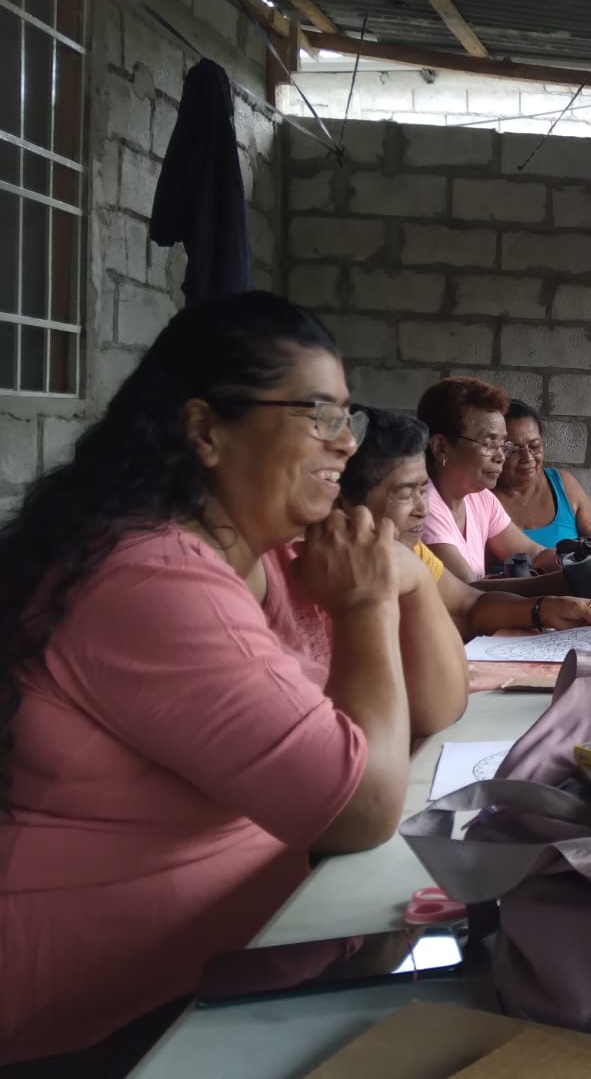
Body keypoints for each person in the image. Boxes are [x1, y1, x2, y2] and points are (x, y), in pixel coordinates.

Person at [0, 293, 462, 1069]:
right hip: (107, 1018)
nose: (347, 442)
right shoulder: (151, 578)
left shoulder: (277, 552)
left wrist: (404, 579)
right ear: (208, 431)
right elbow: (359, 811)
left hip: (244, 954)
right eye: (317, 414)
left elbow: (437, 707)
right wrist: (367, 604)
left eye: (346, 415)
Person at [340, 406, 591, 637]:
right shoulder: (347, 571)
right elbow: (467, 594)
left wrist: (544, 608)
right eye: (403, 494)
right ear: (342, 499)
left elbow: (468, 604)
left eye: (422, 490)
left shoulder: (409, 551)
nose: (422, 509)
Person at [416, 377, 547, 582]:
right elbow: (470, 592)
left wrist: (584, 557)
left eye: (503, 445)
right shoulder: (423, 506)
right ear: (441, 447)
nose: (501, 456)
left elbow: (534, 555)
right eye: (489, 444)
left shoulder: (480, 499)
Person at [495, 398, 591, 548]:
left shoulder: (563, 485)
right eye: (514, 449)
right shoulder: (481, 497)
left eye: (534, 446)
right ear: (495, 449)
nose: (527, 457)